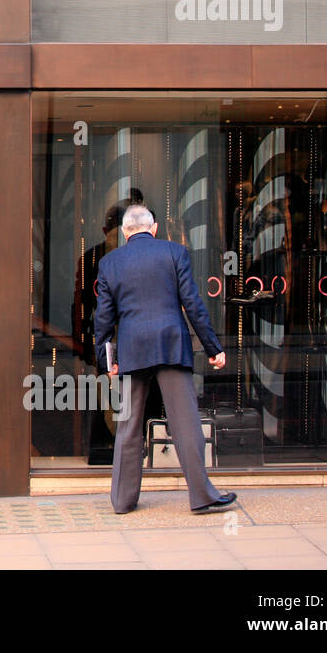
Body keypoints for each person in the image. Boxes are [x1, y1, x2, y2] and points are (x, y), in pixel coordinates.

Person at [94, 203, 237, 515]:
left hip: (132, 350)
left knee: (128, 426)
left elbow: (102, 319)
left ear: (123, 232)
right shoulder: (175, 253)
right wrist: (214, 348)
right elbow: (193, 304)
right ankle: (201, 496)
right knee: (185, 423)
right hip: (171, 345)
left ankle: (122, 500)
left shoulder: (110, 263)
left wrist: (107, 362)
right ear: (154, 228)